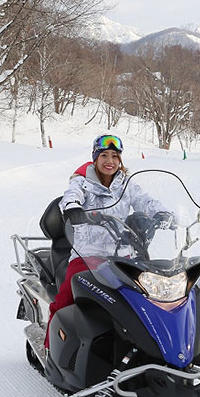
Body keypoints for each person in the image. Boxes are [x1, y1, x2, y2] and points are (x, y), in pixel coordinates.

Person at [46, 134, 170, 346]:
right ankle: (50, 345)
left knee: (145, 298)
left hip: (122, 258)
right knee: (67, 295)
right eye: (104, 155)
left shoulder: (126, 185)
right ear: (95, 158)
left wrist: (162, 213)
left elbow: (144, 200)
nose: (109, 161)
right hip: (88, 255)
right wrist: (73, 208)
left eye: (114, 155)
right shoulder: (82, 183)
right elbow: (70, 196)